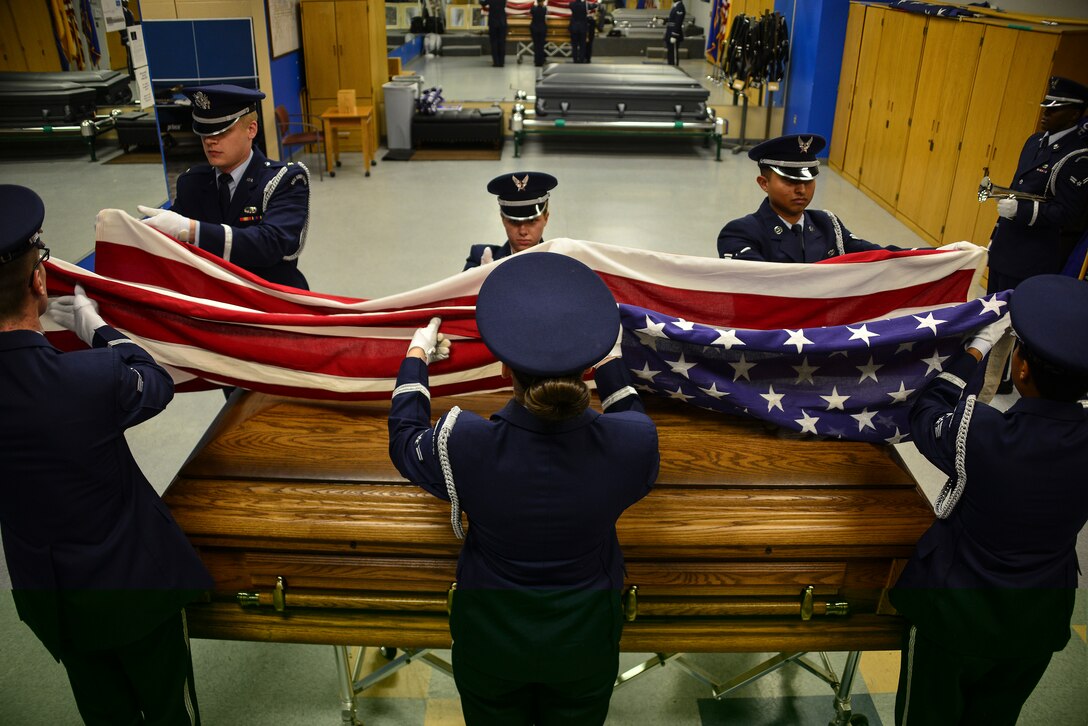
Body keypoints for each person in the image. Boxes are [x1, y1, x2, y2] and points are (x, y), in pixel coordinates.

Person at [388, 251, 659, 725]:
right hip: (586, 638)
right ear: (588, 366)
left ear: (504, 371)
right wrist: (612, 364)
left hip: (491, 637)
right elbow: (630, 414)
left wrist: (416, 356)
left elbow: (404, 441)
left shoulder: (465, 444)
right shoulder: (632, 445)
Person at [0, 184, 213, 725]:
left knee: (103, 713)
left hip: (50, 596)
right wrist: (99, 330)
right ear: (39, 278)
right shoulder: (89, 378)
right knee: (169, 710)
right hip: (132, 585)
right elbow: (153, 382)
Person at [890, 274, 1088, 726]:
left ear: (1020, 368)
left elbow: (925, 410)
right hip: (1038, 617)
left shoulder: (980, 433)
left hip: (955, 612)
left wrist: (975, 349)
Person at [138, 84, 310, 289]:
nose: (210, 141)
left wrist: (192, 230)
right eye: (204, 131)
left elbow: (270, 244)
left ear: (251, 129)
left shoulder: (284, 180)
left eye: (222, 132)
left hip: (268, 297)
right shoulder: (192, 183)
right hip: (213, 298)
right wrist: (131, 230)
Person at [716, 134, 903, 262]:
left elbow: (875, 254)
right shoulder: (740, 233)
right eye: (789, 181)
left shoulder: (827, 223)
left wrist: (926, 257)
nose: (802, 190)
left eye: (808, 180)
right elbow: (759, 285)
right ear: (764, 183)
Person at [986, 76, 1088, 295]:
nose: (1046, 113)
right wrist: (996, 234)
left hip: (1031, 256)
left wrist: (1022, 210)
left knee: (1009, 321)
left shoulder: (1078, 157)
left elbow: (1068, 214)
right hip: (1005, 246)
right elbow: (1016, 189)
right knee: (988, 310)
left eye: (1055, 109)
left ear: (1074, 114)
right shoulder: (1034, 141)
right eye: (1045, 107)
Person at [463, 171, 558, 270]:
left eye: (532, 221)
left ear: (546, 218)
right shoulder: (479, 258)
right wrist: (479, 282)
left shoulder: (560, 263)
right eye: (514, 222)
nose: (523, 231)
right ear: (503, 219)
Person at [481, 0, 508, 68]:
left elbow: (483, 3)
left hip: (493, 22)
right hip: (502, 22)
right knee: (502, 42)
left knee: (494, 42)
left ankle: (496, 62)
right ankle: (501, 62)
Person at [664, 0, 685, 66]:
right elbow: (672, 19)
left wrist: (674, 35)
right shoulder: (675, 6)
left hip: (674, 33)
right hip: (670, 32)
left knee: (673, 53)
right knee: (670, 52)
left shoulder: (680, 7)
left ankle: (674, 67)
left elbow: (678, 22)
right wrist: (664, 20)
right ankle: (670, 65)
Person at [530, 0, 548, 68]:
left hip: (534, 29)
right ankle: (541, 61)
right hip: (542, 29)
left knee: (536, 46)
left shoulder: (533, 9)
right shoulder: (544, 9)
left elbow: (531, 11)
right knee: (541, 46)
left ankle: (536, 61)